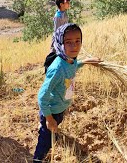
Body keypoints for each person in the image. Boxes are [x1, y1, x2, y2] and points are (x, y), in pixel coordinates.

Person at [33, 23, 102, 162]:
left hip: (60, 107)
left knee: (55, 126)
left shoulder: (70, 60)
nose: (74, 46)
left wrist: (87, 61)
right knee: (46, 139)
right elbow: (42, 96)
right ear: (60, 43)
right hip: (51, 110)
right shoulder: (57, 69)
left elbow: (74, 65)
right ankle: (38, 158)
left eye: (78, 41)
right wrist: (49, 119)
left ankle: (52, 128)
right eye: (68, 42)